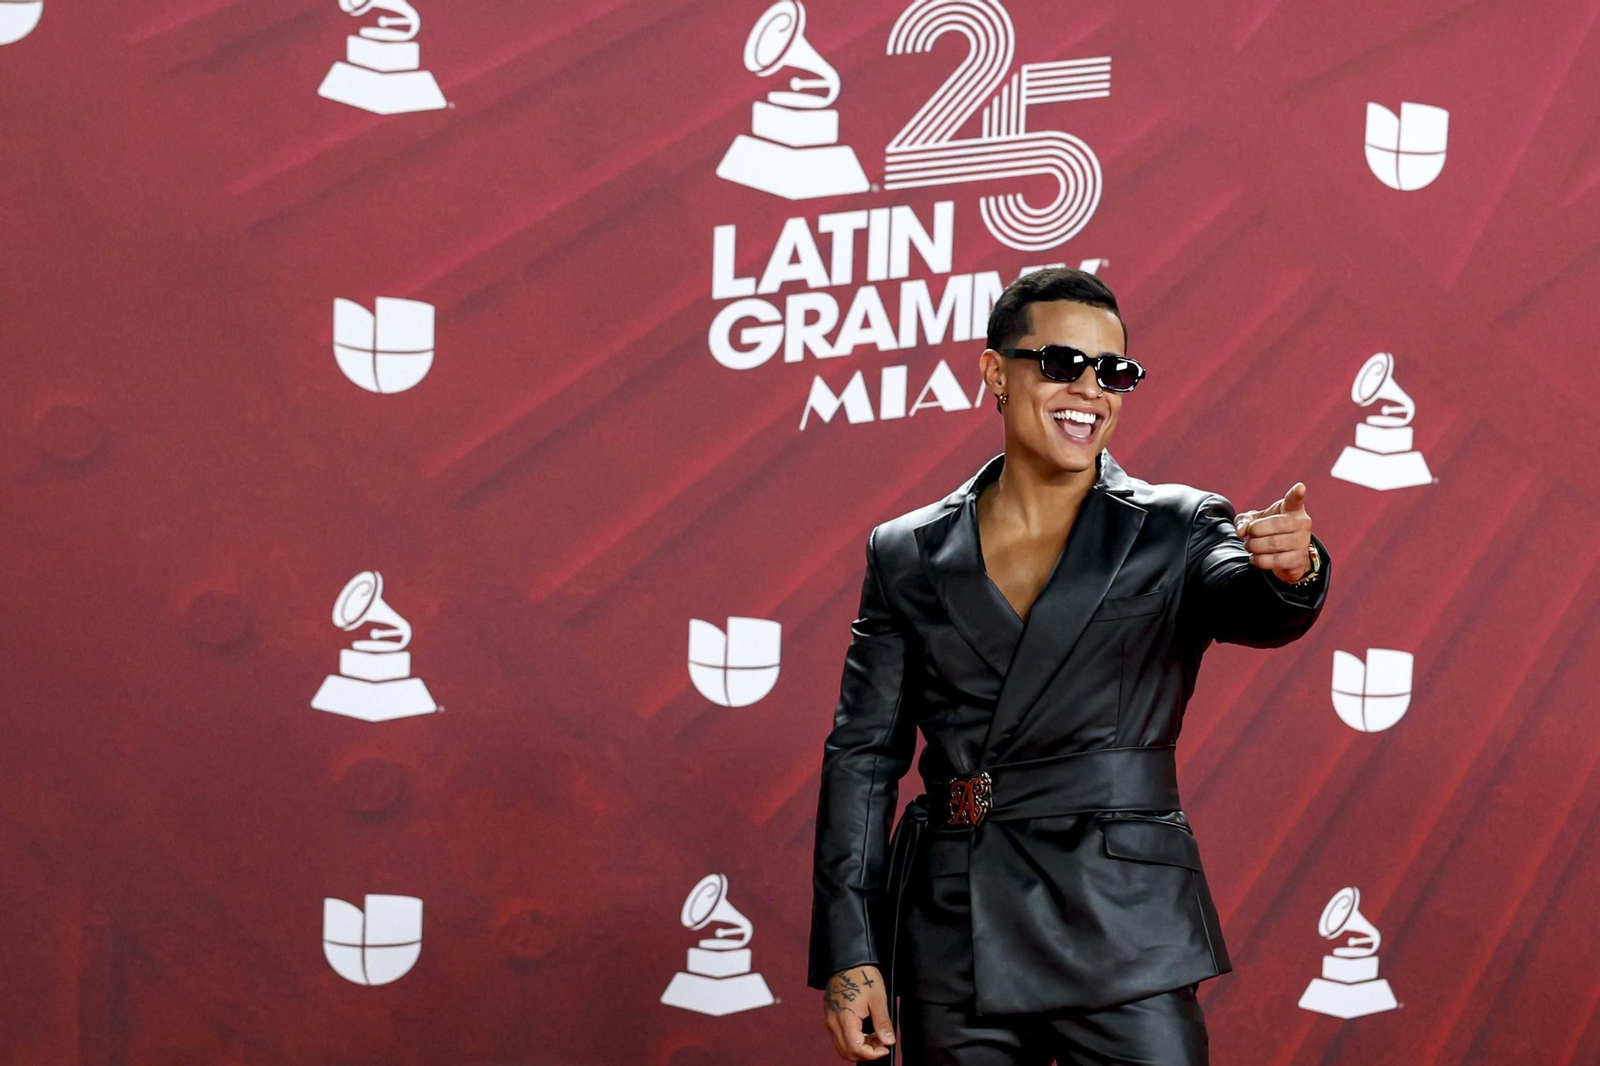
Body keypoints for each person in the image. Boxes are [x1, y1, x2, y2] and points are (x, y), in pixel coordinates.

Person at [807, 268, 1331, 1064]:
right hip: (959, 932)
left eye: (1113, 372)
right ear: (994, 372)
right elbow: (864, 760)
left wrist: (1295, 571)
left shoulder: (1177, 525)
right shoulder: (907, 552)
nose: (1090, 388)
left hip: (1125, 925)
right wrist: (852, 952)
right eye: (1060, 363)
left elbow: (1252, 603)